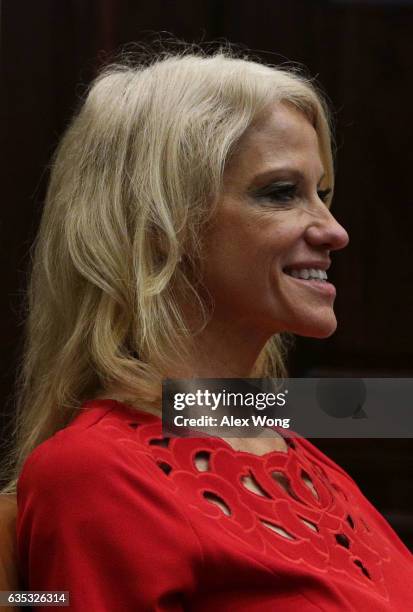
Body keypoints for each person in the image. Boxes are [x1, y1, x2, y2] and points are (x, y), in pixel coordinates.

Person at [2, 42, 413, 610]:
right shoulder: (93, 472)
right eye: (280, 193)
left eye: (321, 194)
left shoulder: (270, 430)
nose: (334, 230)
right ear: (157, 227)